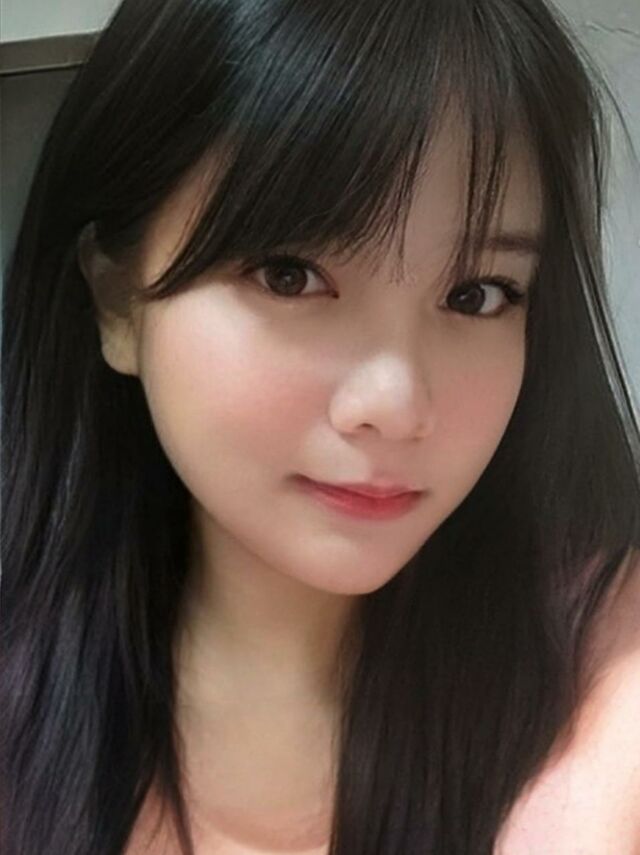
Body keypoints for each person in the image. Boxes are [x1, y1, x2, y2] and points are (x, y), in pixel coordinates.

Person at [2, 0, 639, 853]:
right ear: (119, 300)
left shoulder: (602, 685)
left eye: (476, 293)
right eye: (289, 274)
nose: (396, 401)